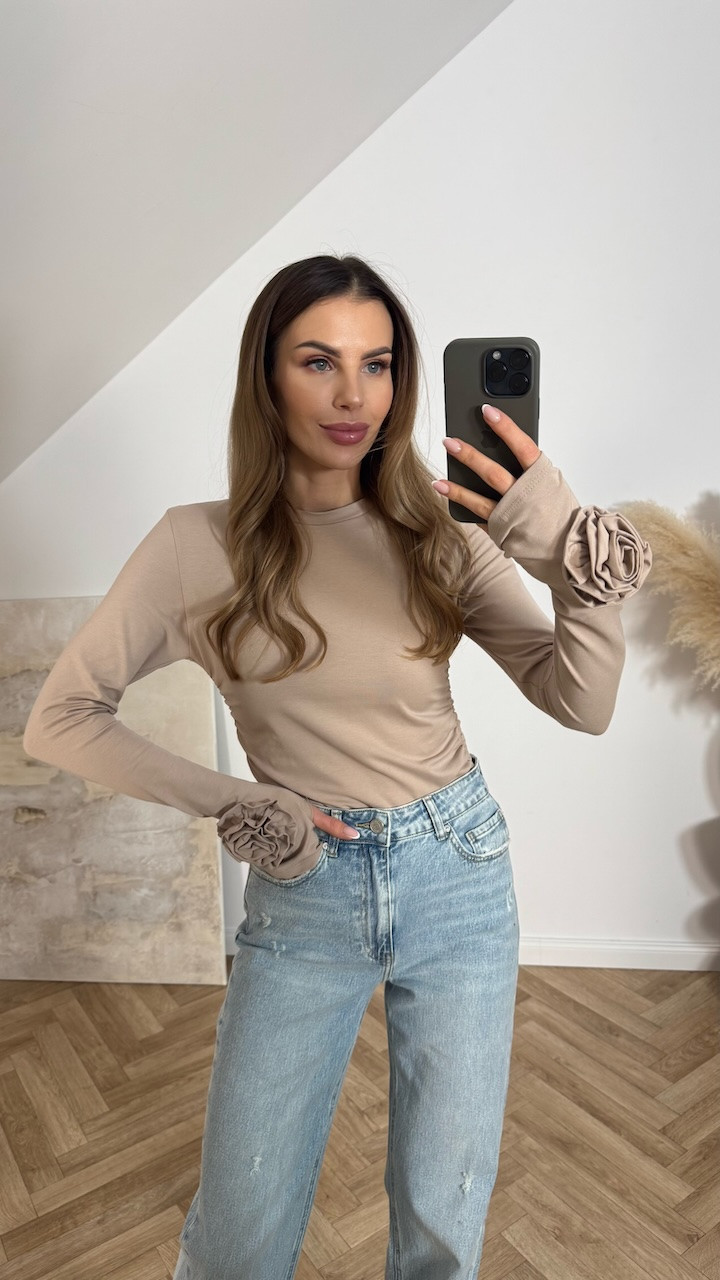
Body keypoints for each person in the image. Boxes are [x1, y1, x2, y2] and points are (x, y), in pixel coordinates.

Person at [22, 254, 653, 1279]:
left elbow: (581, 702)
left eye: (379, 363)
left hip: (458, 874)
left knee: (443, 1221)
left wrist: (567, 567)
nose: (355, 394)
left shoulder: (438, 532)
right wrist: (238, 799)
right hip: (304, 887)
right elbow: (60, 719)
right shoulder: (193, 546)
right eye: (319, 361)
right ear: (266, 377)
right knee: (239, 1230)